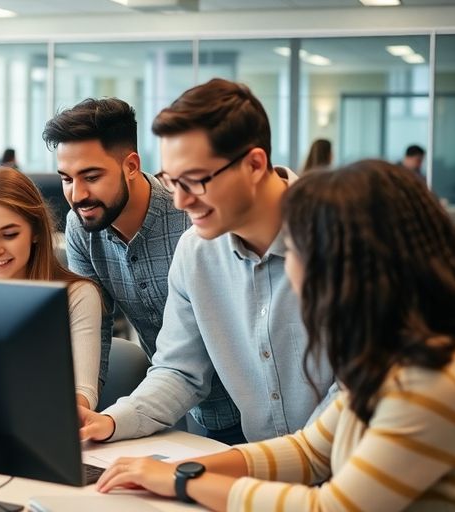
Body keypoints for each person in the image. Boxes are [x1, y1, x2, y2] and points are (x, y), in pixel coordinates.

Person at [95, 159, 455, 511]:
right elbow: (310, 452)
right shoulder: (390, 355)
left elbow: (329, 508)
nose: (287, 260)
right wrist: (181, 470)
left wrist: (184, 484)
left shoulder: (430, 380)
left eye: (296, 246)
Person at [78, 79, 335, 446]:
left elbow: (357, 389)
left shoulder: (340, 236)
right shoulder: (195, 252)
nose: (180, 201)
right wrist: (112, 422)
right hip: (260, 465)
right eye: (171, 181)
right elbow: (179, 371)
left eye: (194, 181)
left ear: (254, 164)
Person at [42, 97, 240, 440]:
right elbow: (94, 325)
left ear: (131, 165)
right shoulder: (81, 228)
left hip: (248, 400)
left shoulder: (192, 221)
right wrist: (82, 404)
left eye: (91, 176)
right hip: (176, 402)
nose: (77, 194)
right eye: (66, 179)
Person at [0, 166, 103, 409]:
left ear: (35, 231)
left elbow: (83, 394)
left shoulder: (77, 296)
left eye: (10, 234)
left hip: (42, 430)